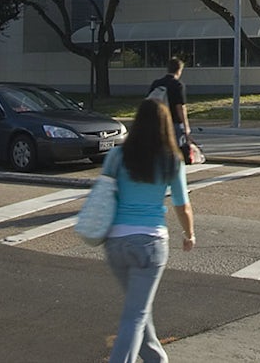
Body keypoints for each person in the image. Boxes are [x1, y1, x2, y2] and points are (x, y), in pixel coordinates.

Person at [101, 97, 195, 363]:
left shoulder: (118, 155)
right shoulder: (170, 160)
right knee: (136, 314)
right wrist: (189, 234)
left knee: (139, 308)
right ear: (165, 125)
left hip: (116, 243)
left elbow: (103, 193)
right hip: (150, 244)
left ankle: (156, 359)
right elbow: (182, 205)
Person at [146, 59, 191, 150]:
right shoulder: (178, 85)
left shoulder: (156, 83)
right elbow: (180, 107)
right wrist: (186, 126)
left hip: (158, 122)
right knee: (175, 151)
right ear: (179, 70)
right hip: (174, 123)